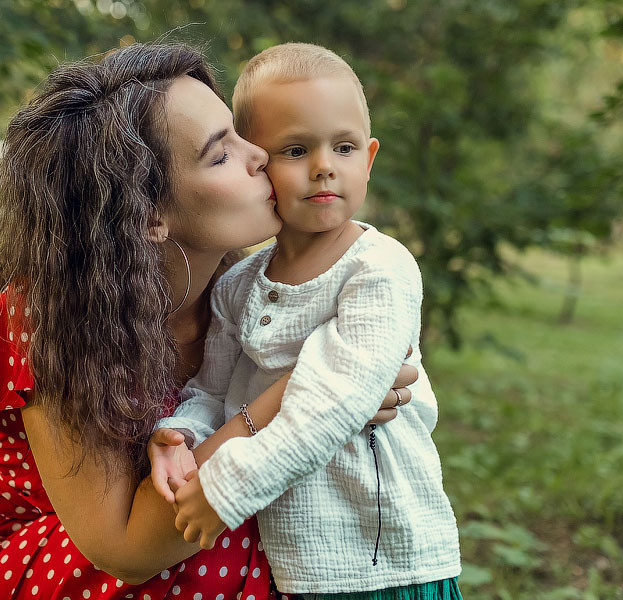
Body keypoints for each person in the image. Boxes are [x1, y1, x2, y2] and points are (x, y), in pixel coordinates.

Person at [0, 42, 416, 600]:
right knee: (219, 529)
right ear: (149, 214)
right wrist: (307, 389)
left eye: (238, 133)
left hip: (198, 543)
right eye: (220, 154)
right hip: (48, 564)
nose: (259, 153)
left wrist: (347, 387)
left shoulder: (260, 293)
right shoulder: (52, 317)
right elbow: (125, 550)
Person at [151, 43, 462, 599]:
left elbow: (337, 398)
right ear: (258, 164)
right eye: (296, 149)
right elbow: (211, 389)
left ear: (367, 160)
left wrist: (228, 484)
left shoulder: (379, 268)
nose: (324, 165)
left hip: (387, 560)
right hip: (296, 564)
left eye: (342, 147)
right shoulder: (237, 287)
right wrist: (181, 436)